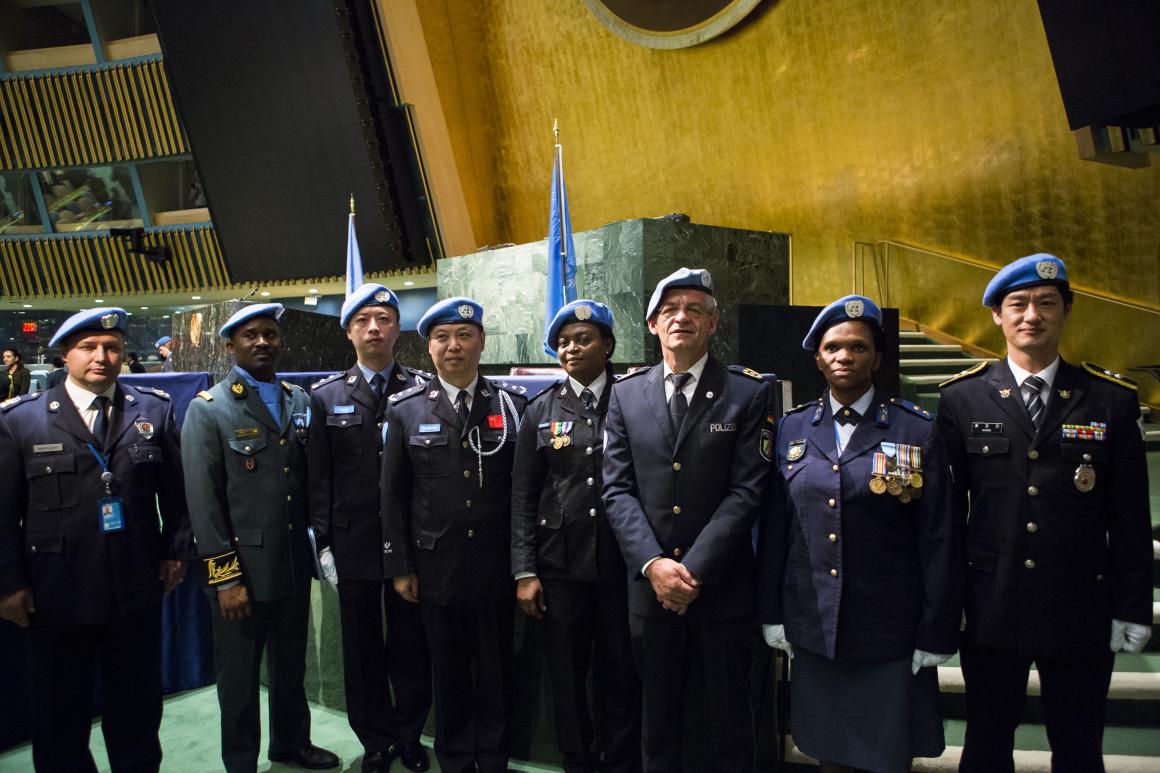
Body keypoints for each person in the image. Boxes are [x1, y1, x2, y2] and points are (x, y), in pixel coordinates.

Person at [937, 254, 1153, 772]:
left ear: (1066, 310)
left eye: (1046, 303)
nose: (1031, 314)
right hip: (991, 605)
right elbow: (943, 518)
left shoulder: (1110, 401)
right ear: (997, 316)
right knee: (986, 745)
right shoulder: (962, 399)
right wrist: (947, 602)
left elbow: (1129, 518)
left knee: (1079, 748)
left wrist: (1133, 605)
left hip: (1080, 606)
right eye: (1018, 304)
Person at [757, 295, 959, 773]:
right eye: (832, 348)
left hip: (888, 629)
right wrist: (772, 612)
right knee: (829, 753)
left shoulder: (916, 430)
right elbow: (776, 532)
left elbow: (939, 539)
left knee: (886, 754)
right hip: (815, 624)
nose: (844, 357)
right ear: (818, 358)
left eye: (858, 347)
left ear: (878, 358)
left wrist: (936, 628)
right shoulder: (790, 430)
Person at [0, 308, 191, 773]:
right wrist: (8, 583)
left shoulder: (153, 410)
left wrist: (175, 553)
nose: (101, 357)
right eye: (88, 347)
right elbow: (3, 513)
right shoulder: (20, 421)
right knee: (60, 717)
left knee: (138, 713)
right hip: (57, 593)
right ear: (64, 354)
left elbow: (180, 495)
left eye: (112, 348)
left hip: (135, 588)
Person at [602, 267, 773, 772]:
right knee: (658, 720)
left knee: (724, 722)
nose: (682, 317)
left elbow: (747, 491)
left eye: (695, 309)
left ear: (713, 324)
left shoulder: (748, 392)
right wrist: (654, 565)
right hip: (649, 591)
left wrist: (691, 570)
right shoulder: (626, 393)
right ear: (653, 324)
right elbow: (617, 489)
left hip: (720, 589)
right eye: (670, 310)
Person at [182, 303, 340, 773]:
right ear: (230, 346)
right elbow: (204, 506)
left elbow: (310, 482)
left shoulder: (299, 400)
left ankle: (291, 744)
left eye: (270, 334)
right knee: (240, 677)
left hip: (291, 562)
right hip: (242, 573)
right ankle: (241, 760)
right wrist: (225, 579)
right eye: (250, 335)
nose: (262, 342)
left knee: (292, 666)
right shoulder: (209, 409)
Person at [381, 297, 527, 773]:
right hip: (435, 567)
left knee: (495, 670)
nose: (454, 346)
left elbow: (522, 492)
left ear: (482, 342)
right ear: (429, 348)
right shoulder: (404, 410)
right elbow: (394, 495)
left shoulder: (510, 405)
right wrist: (400, 565)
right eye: (442, 338)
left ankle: (494, 756)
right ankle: (458, 758)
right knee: (447, 672)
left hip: (494, 564)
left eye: (465, 336)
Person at [511, 300, 641, 773]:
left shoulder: (634, 399)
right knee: (566, 676)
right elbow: (523, 496)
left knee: (620, 671)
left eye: (583, 339)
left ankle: (621, 759)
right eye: (563, 342)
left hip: (621, 565)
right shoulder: (540, 409)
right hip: (560, 568)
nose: (571, 348)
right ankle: (578, 760)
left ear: (607, 345)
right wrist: (525, 571)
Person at [307, 283, 433, 773]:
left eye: (383, 319)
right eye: (362, 321)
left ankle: (409, 736)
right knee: (360, 651)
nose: (374, 328)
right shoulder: (326, 397)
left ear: (396, 328)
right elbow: (319, 478)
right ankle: (376, 741)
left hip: (408, 545)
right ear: (349, 332)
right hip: (354, 543)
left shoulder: (421, 389)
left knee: (410, 646)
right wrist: (324, 545)